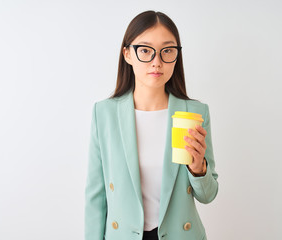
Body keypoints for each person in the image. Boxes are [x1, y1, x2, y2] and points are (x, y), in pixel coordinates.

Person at [85, 10, 219, 240]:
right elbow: (95, 197)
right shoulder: (104, 114)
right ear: (127, 54)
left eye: (167, 51)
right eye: (145, 50)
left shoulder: (194, 113)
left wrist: (198, 169)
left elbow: (208, 195)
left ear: (176, 56)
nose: (156, 62)